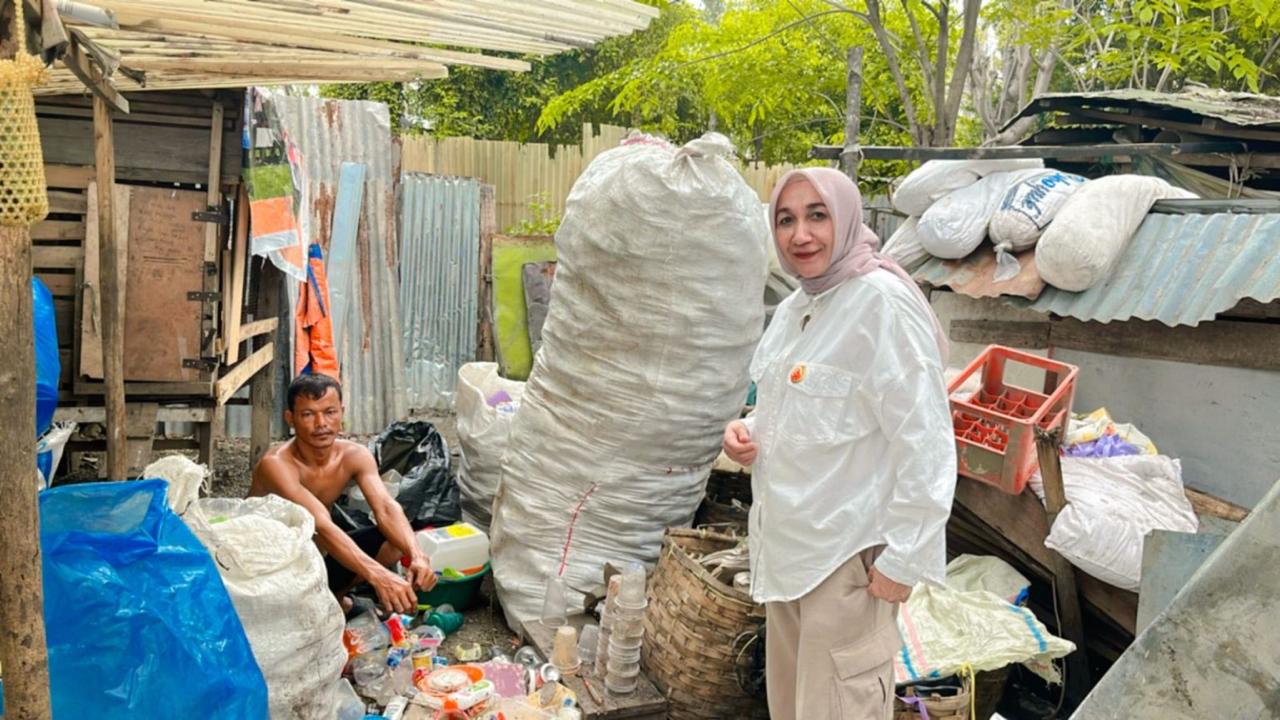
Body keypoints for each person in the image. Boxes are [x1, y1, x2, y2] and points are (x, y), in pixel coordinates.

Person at [722, 168, 956, 720]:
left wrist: (905, 558)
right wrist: (749, 433)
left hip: (847, 564)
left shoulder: (880, 304)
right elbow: (802, 408)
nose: (800, 235)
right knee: (791, 708)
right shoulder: (795, 310)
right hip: (787, 556)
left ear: (847, 220)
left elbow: (926, 438)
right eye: (786, 219)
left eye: (817, 216)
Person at [250, 373, 437, 614]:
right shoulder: (276, 464)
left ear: (342, 413)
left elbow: (386, 507)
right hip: (267, 565)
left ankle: (335, 598)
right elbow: (321, 526)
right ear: (290, 419)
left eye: (330, 412)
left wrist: (417, 555)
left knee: (395, 539)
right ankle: (317, 603)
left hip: (315, 552)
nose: (321, 423)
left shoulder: (354, 455)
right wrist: (379, 576)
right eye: (308, 414)